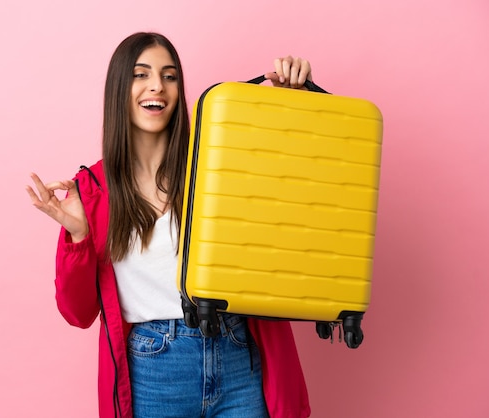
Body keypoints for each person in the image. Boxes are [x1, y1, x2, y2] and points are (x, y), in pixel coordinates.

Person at [27, 32, 312, 418]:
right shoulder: (92, 191)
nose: (157, 86)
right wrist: (77, 235)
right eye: (141, 75)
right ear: (119, 90)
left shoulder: (216, 161)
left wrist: (285, 103)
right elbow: (78, 313)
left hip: (237, 356)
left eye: (170, 75)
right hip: (155, 369)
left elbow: (285, 189)